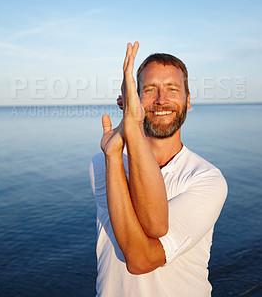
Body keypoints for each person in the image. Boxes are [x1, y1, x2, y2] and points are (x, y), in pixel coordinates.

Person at [89, 41, 227, 297]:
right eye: (150, 90)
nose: (161, 100)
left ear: (188, 102)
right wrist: (114, 153)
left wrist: (131, 126)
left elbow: (142, 258)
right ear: (128, 100)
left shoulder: (207, 179)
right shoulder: (104, 161)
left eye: (173, 89)